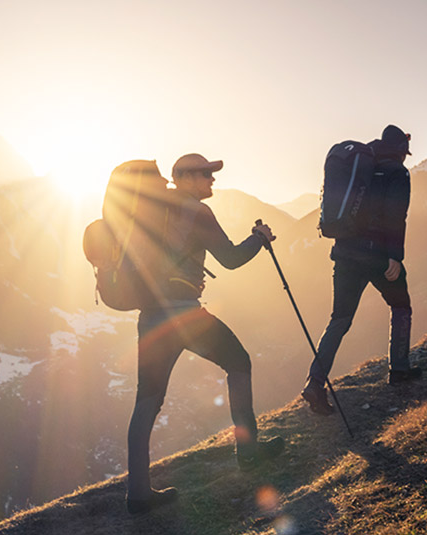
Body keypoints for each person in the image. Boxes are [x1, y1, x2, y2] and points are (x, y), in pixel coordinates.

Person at [125, 154, 285, 515]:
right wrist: (258, 238)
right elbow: (229, 258)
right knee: (239, 362)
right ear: (183, 177)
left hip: (151, 317)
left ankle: (137, 494)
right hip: (185, 315)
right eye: (206, 175)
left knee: (147, 400)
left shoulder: (150, 210)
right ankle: (248, 452)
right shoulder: (196, 211)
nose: (212, 180)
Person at [302, 125, 421, 416]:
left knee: (339, 319)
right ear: (400, 152)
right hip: (378, 255)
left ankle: (315, 383)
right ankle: (399, 368)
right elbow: (396, 215)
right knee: (401, 305)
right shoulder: (397, 172)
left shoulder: (362, 167)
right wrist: (395, 255)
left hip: (344, 253)